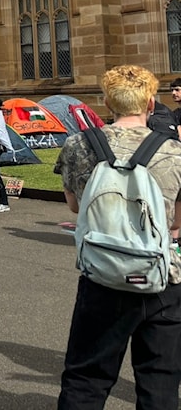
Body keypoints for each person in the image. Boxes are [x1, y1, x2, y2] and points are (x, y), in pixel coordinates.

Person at [55, 65, 181, 408]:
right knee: (160, 383)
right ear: (151, 103)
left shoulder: (78, 145)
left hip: (103, 274)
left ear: (108, 103)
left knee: (86, 380)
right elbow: (176, 221)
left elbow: (74, 205)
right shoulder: (175, 151)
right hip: (162, 277)